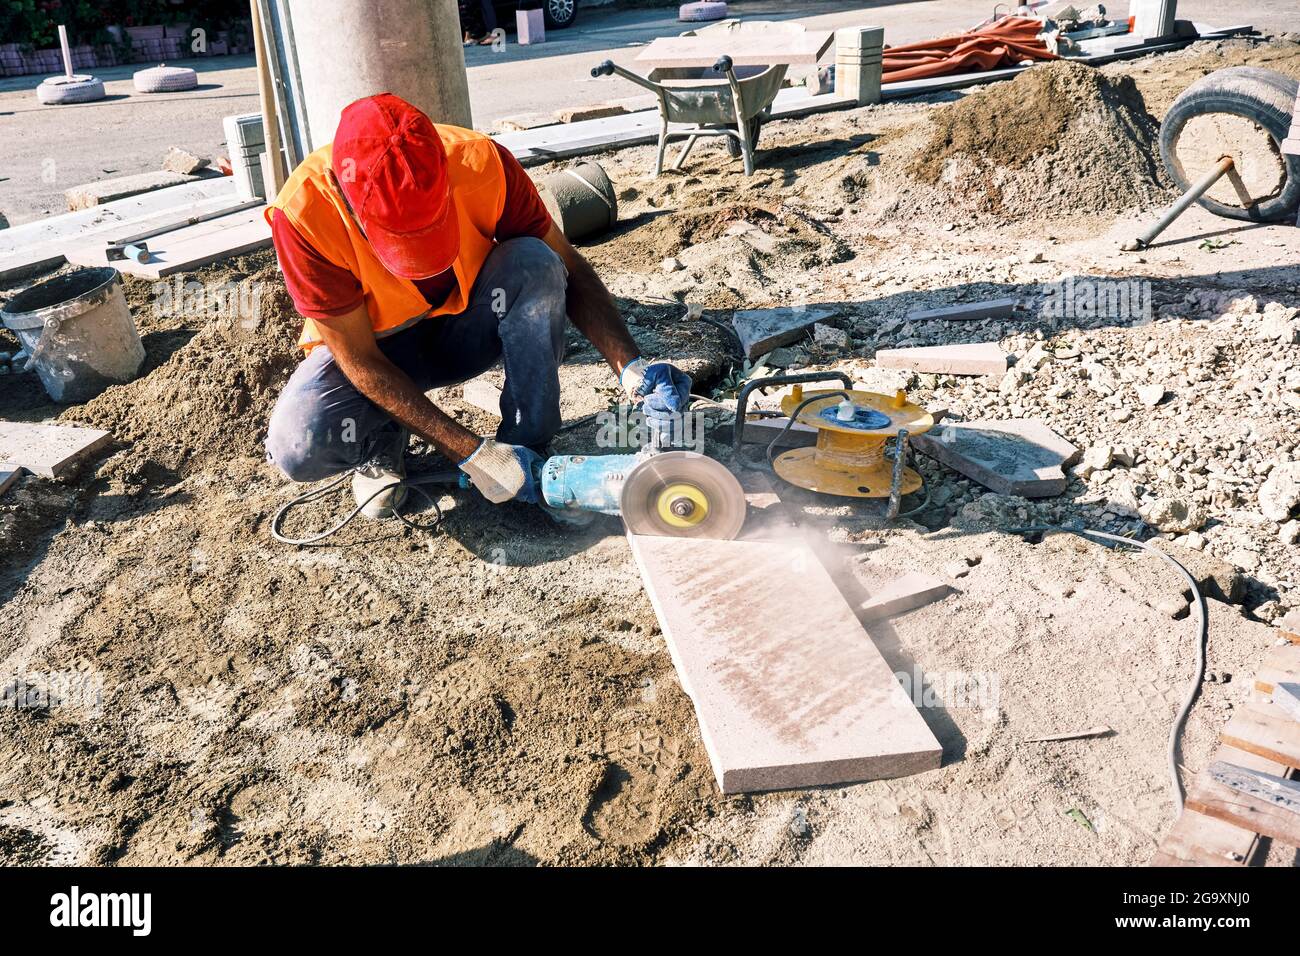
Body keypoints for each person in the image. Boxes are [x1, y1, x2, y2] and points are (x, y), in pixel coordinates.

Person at [263, 92, 691, 518]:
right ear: (352, 206)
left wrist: (631, 368)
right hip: (378, 352)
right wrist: (471, 454)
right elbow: (358, 359)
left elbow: (569, 267)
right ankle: (383, 437)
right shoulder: (305, 213)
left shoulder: (481, 163)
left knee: (537, 264)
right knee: (298, 444)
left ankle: (529, 448)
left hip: (465, 330)